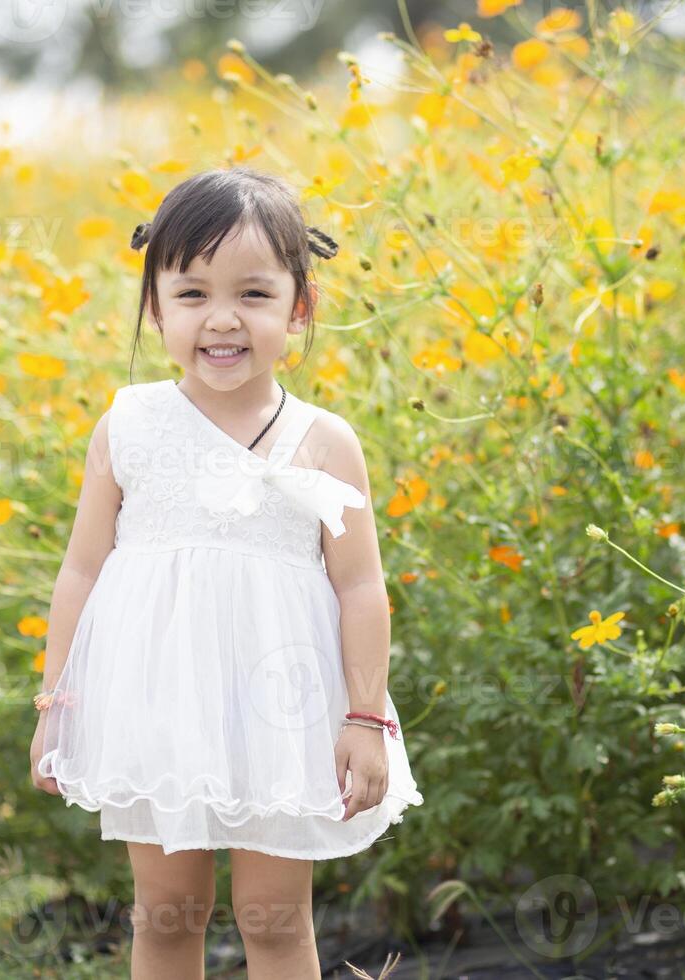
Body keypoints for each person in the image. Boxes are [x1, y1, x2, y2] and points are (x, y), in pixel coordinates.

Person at [28, 166, 423, 979]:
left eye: (253, 294)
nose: (222, 320)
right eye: (192, 293)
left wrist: (364, 718)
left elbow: (359, 588)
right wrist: (57, 701)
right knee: (167, 914)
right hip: (156, 701)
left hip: (284, 710)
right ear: (153, 306)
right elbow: (81, 569)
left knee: (275, 923)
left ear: (299, 307)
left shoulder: (323, 439)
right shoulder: (130, 423)